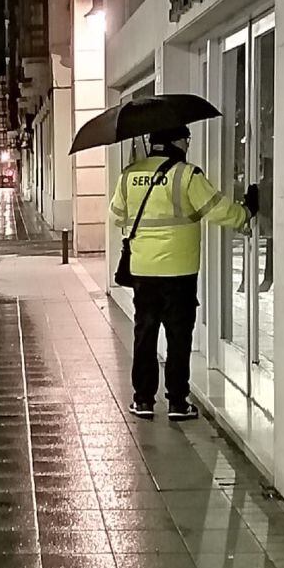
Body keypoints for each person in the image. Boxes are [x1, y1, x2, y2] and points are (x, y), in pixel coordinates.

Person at [110, 124, 257, 420]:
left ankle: (143, 400)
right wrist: (247, 212)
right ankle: (177, 401)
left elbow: (116, 217)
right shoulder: (187, 174)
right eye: (186, 139)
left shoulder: (129, 175)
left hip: (143, 271)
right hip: (179, 272)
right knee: (179, 337)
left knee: (144, 334)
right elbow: (218, 209)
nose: (188, 145)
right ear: (177, 141)